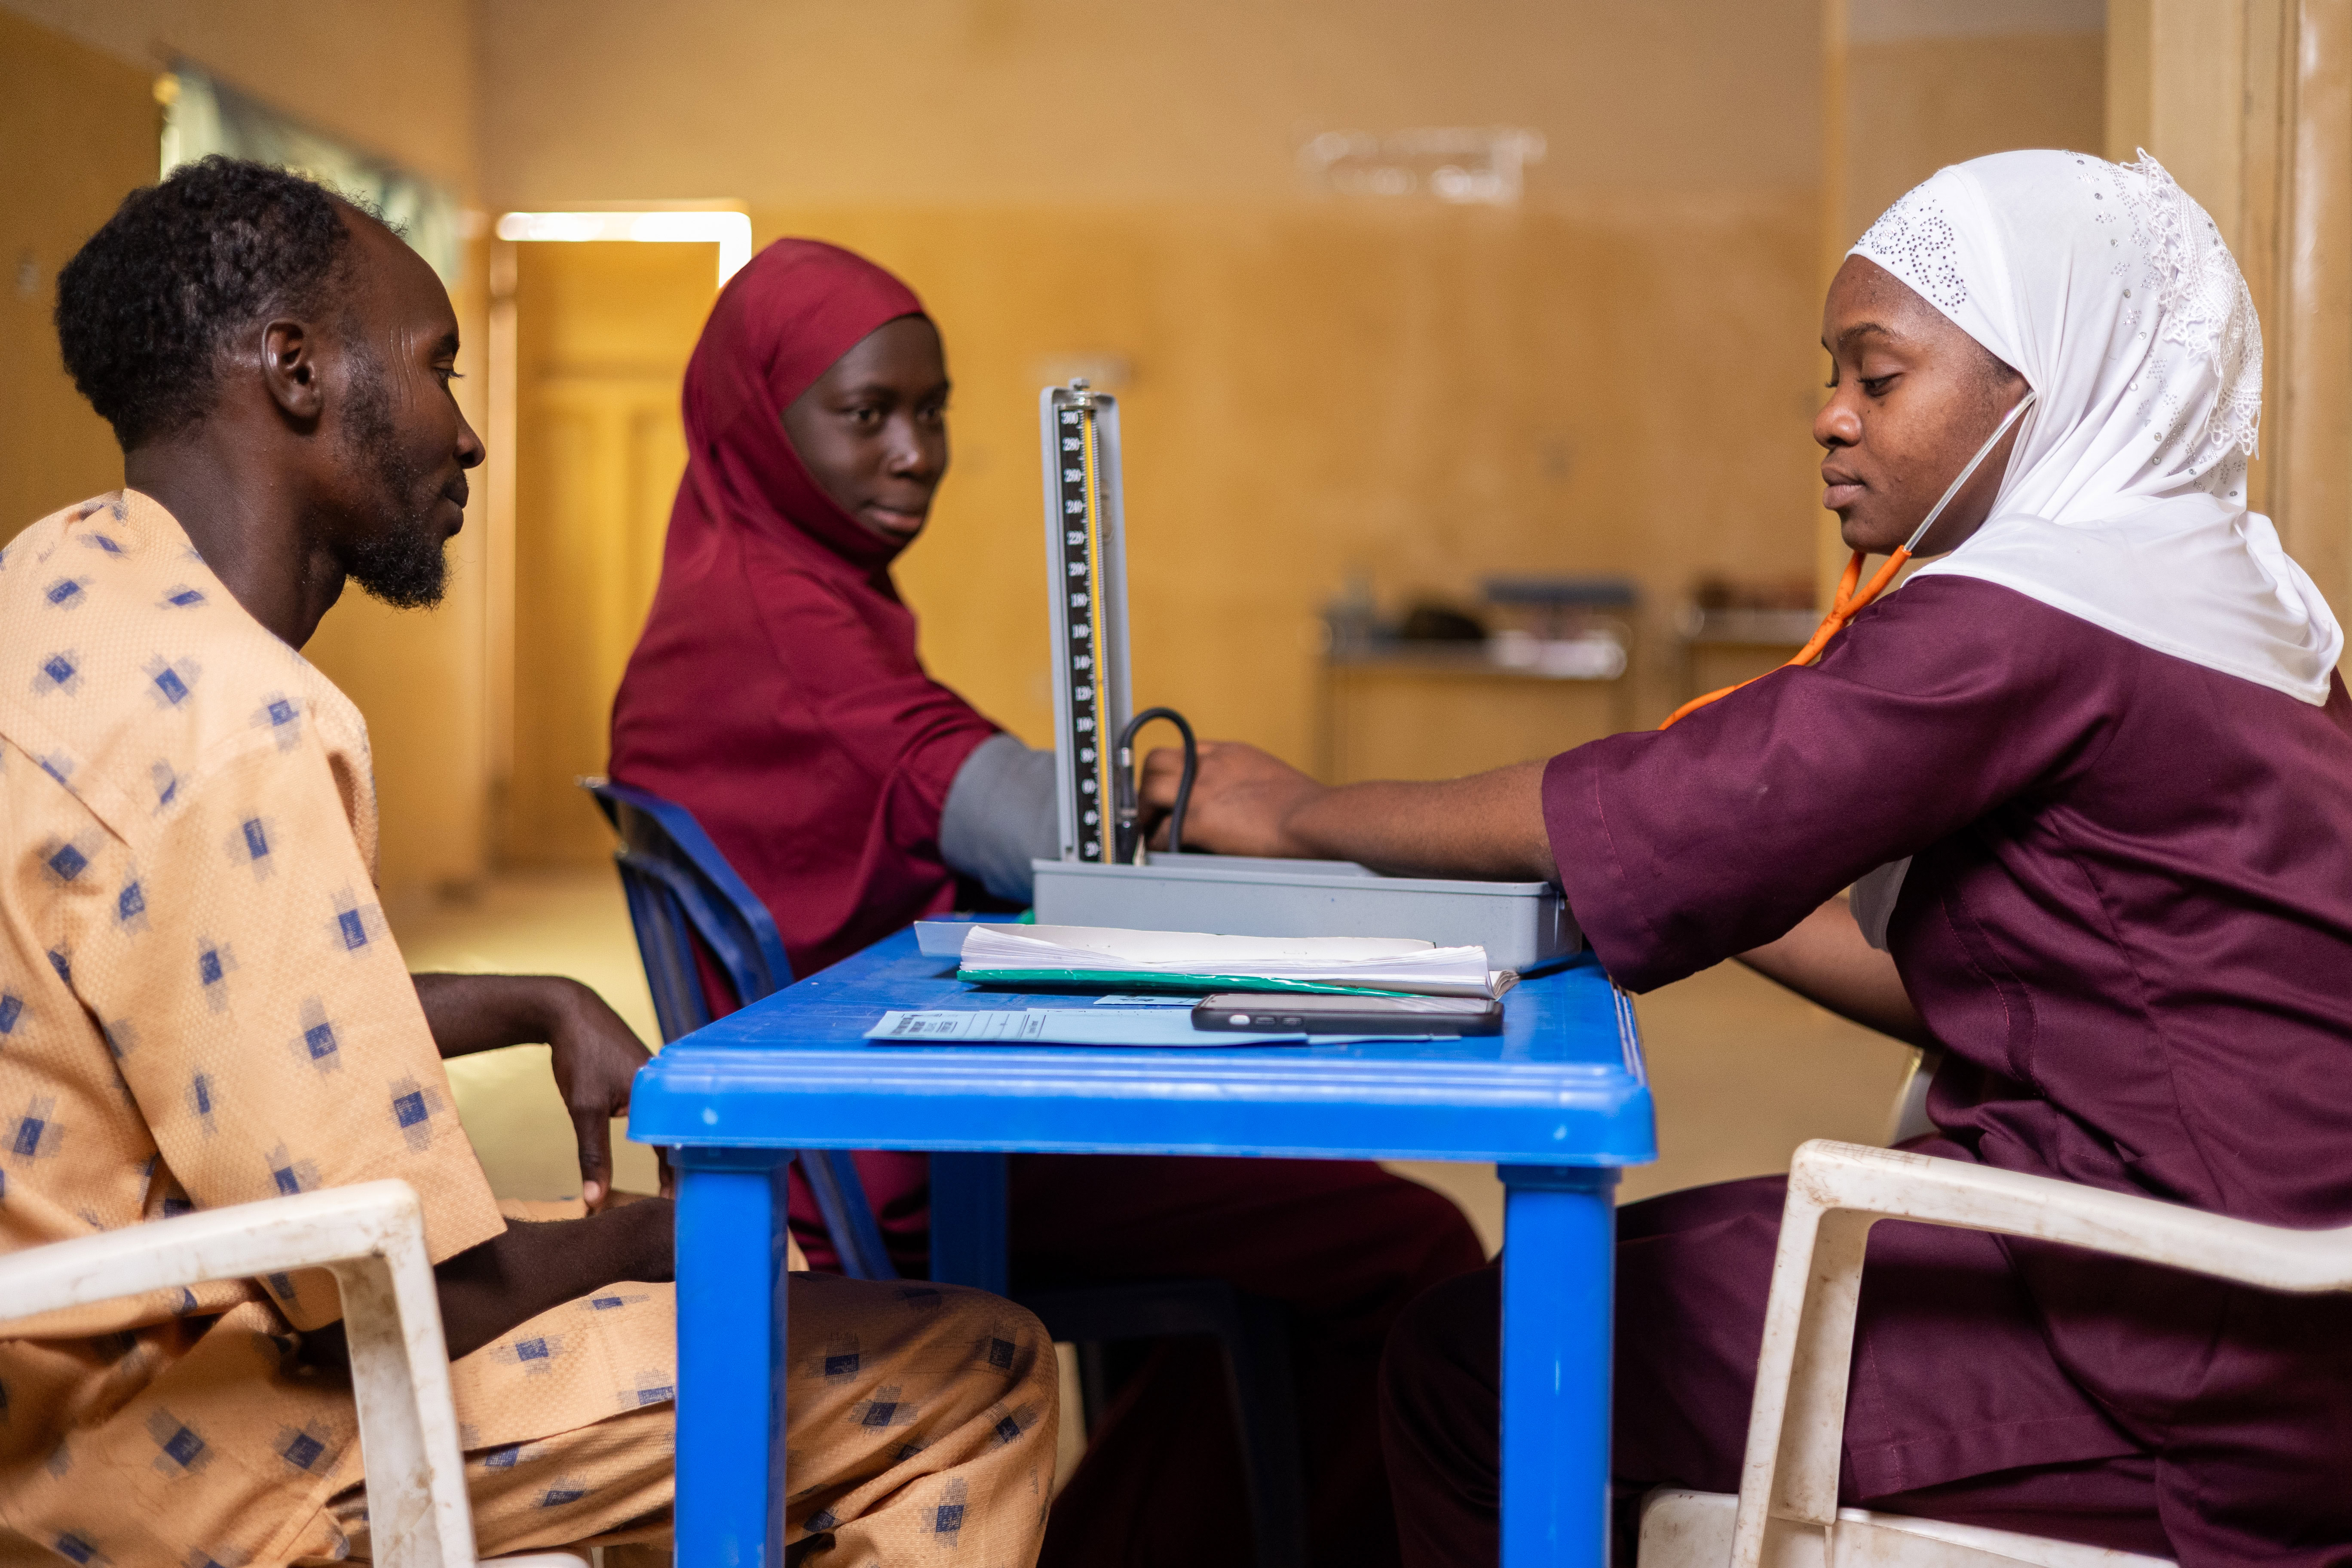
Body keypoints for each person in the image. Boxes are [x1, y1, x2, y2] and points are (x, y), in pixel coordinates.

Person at [1142, 151, 2352, 1565]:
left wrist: (1295, 814)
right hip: (2246, 1283)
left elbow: (1652, 806)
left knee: (1479, 1369)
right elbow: (2039, 991)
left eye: (1878, 377)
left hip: (2173, 1344)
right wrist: (1700, 871)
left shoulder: (2023, 625)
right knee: (1577, 1274)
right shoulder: (2243, 613)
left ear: (2041, 386)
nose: (1830, 418)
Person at [0, 156, 1057, 1566]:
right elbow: (381, 1292)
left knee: (721, 1313)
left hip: (47, 1349)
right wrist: (647, 1244)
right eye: (438, 365)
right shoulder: (239, 724)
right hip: (144, 1437)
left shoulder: (61, 585)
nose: (469, 434)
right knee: (960, 1365)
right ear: (298, 372)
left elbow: (187, 1015)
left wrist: (519, 1000)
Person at [607, 239, 1485, 1567]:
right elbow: (1011, 815)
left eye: (934, 409)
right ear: (761, 428)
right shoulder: (781, 626)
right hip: (898, 1162)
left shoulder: (750, 586)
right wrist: (1236, 805)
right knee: (1402, 1243)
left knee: (1269, 1203)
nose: (916, 452)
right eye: (866, 417)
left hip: (863, 1122)